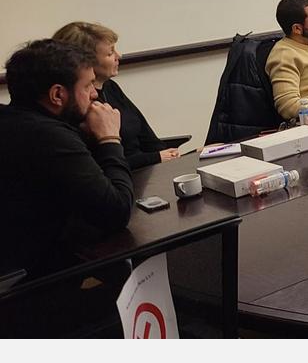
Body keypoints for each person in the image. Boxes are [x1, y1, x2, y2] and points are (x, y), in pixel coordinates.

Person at [0, 40, 134, 277]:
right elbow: (116, 211)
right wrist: (110, 138)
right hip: (39, 278)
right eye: (88, 85)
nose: (95, 94)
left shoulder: (14, 120)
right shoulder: (48, 136)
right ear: (57, 94)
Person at [50, 22, 180, 170]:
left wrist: (172, 156)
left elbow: (148, 138)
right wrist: (155, 157)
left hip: (148, 170)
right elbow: (101, 165)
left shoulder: (111, 87)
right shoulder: (76, 105)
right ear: (85, 61)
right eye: (110, 53)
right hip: (127, 175)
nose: (119, 56)